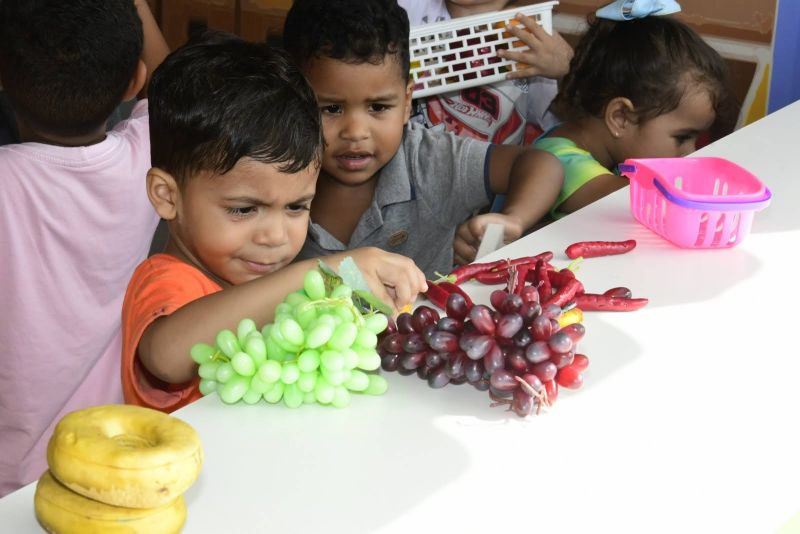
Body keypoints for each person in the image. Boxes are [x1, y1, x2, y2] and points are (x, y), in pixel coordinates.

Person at [121, 32, 427, 413]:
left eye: (297, 207)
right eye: (244, 210)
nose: (276, 237)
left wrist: (371, 297)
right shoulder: (166, 280)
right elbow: (166, 357)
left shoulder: (255, 274)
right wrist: (322, 270)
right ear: (168, 196)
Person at [0, 0, 168, 496]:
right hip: (114, 450)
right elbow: (175, 80)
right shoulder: (148, 156)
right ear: (132, 81)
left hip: (9, 474)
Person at [283, 0, 564, 273]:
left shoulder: (427, 162)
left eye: (378, 107)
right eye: (331, 109)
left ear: (407, 103)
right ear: (293, 98)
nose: (356, 132)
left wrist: (512, 218)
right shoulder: (271, 170)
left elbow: (540, 163)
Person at [535, 0, 730, 218]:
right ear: (621, 117)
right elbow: (648, 205)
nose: (690, 153)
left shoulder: (615, 153)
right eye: (682, 137)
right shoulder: (559, 163)